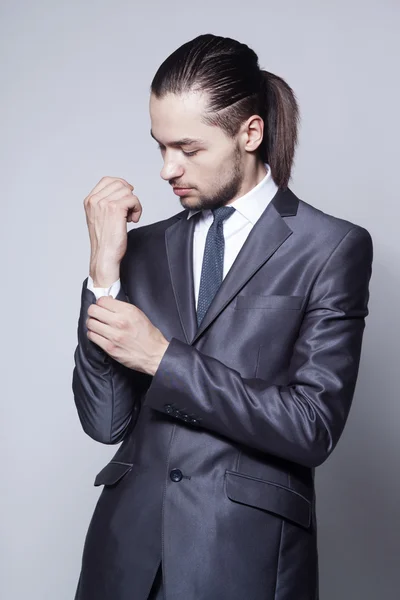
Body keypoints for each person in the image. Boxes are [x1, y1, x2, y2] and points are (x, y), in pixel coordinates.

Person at [72, 33, 373, 600]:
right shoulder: (141, 250)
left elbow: (312, 427)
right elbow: (104, 421)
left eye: (188, 149)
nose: (167, 169)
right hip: (123, 559)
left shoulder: (330, 247)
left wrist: (163, 358)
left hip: (243, 558)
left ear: (250, 133)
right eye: (160, 146)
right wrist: (102, 274)